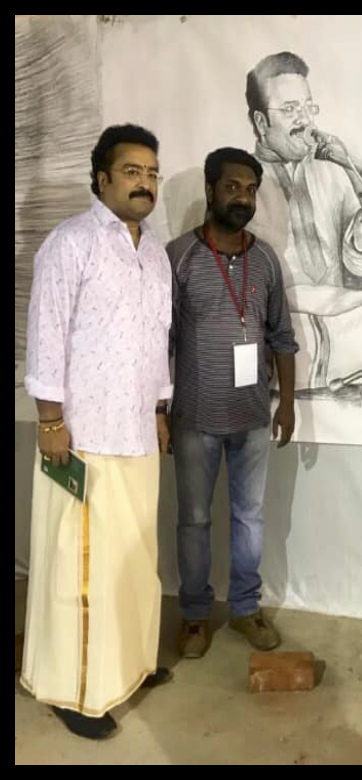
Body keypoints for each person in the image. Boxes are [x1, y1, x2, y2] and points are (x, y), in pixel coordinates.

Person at [22, 124, 173, 740]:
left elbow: (157, 340)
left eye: (152, 173)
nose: (145, 183)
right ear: (102, 178)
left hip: (136, 434)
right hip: (82, 437)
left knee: (134, 562)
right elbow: (46, 335)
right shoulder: (70, 244)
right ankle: (76, 690)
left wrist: (159, 410)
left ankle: (130, 666)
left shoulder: (155, 253)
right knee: (79, 572)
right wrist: (50, 421)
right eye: (133, 172)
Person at [167, 148, 298, 659]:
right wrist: (157, 411)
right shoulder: (178, 256)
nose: (243, 198)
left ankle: (245, 608)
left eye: (250, 190)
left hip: (252, 417)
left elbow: (282, 336)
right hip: (194, 418)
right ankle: (195, 617)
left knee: (250, 518)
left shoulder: (265, 260)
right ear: (210, 189)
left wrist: (286, 404)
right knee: (194, 520)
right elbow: (158, 343)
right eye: (232, 187)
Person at [245, 51, 362, 291]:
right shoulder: (240, 184)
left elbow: (360, 271)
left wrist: (360, 245)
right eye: (289, 109)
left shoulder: (332, 171)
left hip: (338, 307)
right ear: (261, 123)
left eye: (308, 107)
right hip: (277, 310)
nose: (305, 120)